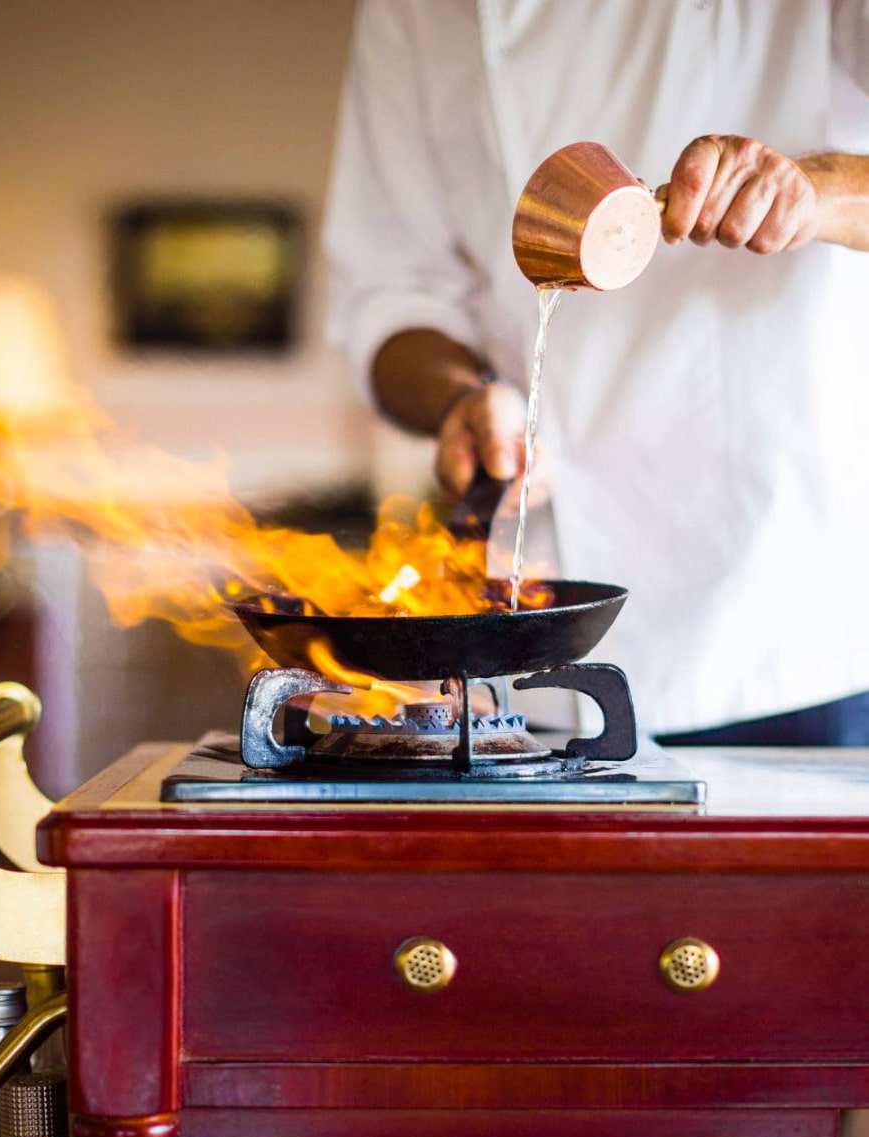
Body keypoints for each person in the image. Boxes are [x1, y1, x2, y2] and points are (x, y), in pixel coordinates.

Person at [323, 0, 869, 745]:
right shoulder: (416, 12)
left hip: (788, 623)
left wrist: (819, 189)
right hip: (539, 636)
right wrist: (464, 399)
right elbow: (390, 293)